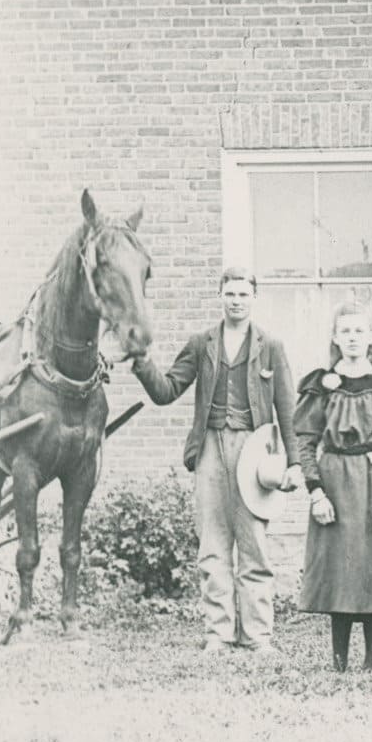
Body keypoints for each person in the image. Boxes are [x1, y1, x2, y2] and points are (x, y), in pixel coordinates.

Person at [129, 267, 302, 654]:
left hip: (256, 450)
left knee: (254, 543)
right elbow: (168, 389)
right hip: (209, 447)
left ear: (253, 298)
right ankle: (218, 634)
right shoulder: (201, 343)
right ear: (220, 296)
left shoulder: (270, 345)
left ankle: (258, 636)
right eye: (230, 294)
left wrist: (294, 463)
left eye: (243, 294)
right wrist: (141, 362)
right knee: (213, 543)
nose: (236, 300)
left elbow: (288, 410)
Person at [294, 300, 372, 671]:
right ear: (335, 337)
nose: (352, 338)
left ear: (371, 337)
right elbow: (305, 441)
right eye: (345, 331)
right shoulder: (321, 383)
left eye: (359, 330)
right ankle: (338, 660)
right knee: (339, 571)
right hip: (332, 484)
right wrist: (315, 492)